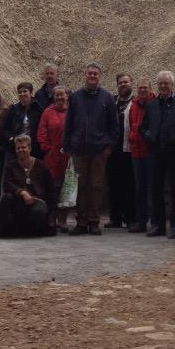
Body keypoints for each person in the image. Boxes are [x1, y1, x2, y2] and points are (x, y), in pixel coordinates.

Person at [63, 63, 118, 236]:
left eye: (95, 74)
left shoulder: (107, 98)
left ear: (99, 76)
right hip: (79, 149)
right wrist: (68, 146)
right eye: (90, 73)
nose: (92, 76)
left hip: (99, 151)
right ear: (85, 75)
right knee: (81, 186)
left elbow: (114, 126)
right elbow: (69, 123)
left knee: (96, 186)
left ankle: (94, 221)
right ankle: (81, 221)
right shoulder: (76, 97)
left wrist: (109, 147)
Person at [141, 70, 175, 238]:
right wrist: (149, 136)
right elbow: (143, 126)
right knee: (155, 189)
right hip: (155, 152)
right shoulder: (152, 104)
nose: (163, 86)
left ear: (172, 85)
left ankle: (174, 226)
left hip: (174, 152)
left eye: (166, 83)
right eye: (160, 83)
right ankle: (157, 225)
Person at [0, 135, 55, 237]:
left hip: (36, 202)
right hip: (18, 202)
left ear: (30, 148)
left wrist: (52, 216)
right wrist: (22, 192)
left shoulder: (41, 166)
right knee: (6, 199)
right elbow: (6, 184)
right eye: (18, 148)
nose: (20, 150)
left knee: (39, 210)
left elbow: (50, 190)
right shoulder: (11, 165)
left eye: (23, 147)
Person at [37, 85, 70, 232]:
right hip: (52, 156)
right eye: (57, 95)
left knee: (66, 189)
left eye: (62, 95)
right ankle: (52, 217)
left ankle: (63, 219)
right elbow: (41, 133)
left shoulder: (71, 112)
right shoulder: (47, 112)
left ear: (67, 96)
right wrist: (48, 148)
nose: (59, 97)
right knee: (52, 188)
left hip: (68, 157)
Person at [105, 72, 136, 229]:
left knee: (130, 184)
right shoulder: (113, 102)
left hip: (129, 149)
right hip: (113, 149)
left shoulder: (136, 102)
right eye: (121, 83)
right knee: (114, 183)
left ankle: (130, 217)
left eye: (126, 82)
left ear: (131, 83)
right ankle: (115, 217)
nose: (123, 85)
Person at [128, 78, 153, 233]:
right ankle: (141, 221)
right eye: (140, 88)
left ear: (150, 89)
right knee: (140, 188)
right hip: (136, 152)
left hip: (151, 151)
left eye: (145, 88)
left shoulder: (154, 104)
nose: (142, 90)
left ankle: (155, 220)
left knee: (153, 188)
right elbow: (131, 125)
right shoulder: (134, 105)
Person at [4, 81, 43, 159]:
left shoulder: (38, 109)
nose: (22, 94)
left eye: (25, 91)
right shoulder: (13, 109)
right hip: (16, 147)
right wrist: (11, 138)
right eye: (20, 92)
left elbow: (42, 128)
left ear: (31, 93)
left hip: (33, 148)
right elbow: (5, 129)